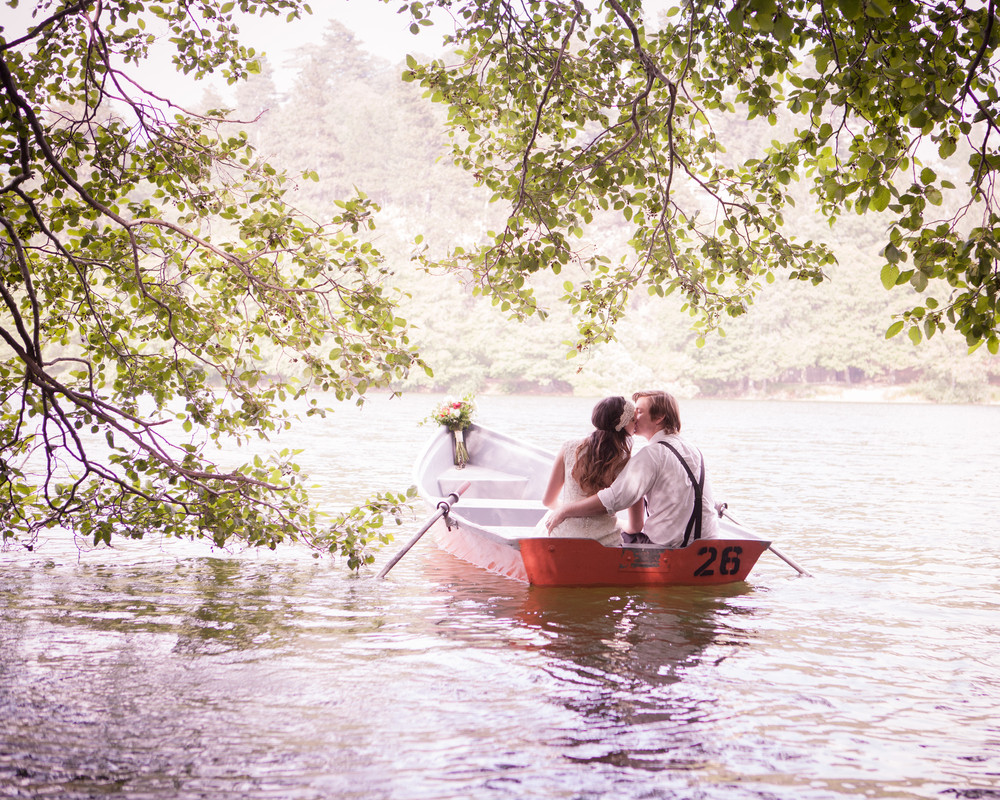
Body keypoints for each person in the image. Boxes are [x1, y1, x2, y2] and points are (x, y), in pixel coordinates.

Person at [545, 390, 719, 547]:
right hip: (708, 540)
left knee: (625, 534)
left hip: (670, 546)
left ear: (659, 418)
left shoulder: (651, 454)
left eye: (640, 411)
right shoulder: (693, 449)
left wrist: (564, 511)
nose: (634, 417)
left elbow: (612, 500)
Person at [538, 396, 644, 546]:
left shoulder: (569, 448)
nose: (637, 423)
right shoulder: (629, 462)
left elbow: (548, 501)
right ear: (622, 424)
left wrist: (567, 511)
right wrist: (620, 523)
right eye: (633, 419)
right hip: (605, 543)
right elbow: (635, 526)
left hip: (563, 537)